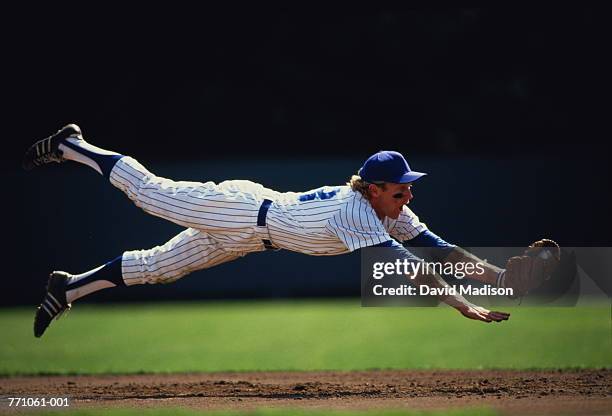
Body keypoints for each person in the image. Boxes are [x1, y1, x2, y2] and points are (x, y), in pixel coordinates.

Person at [23, 124, 510, 338]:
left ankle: (68, 288)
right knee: (150, 193)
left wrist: (493, 274)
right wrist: (463, 303)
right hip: (240, 211)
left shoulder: (390, 211)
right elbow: (410, 267)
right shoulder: (357, 211)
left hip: (252, 236)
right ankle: (72, 146)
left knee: (158, 268)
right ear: (375, 188)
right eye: (400, 188)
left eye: (408, 188)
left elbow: (436, 249)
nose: (408, 195)